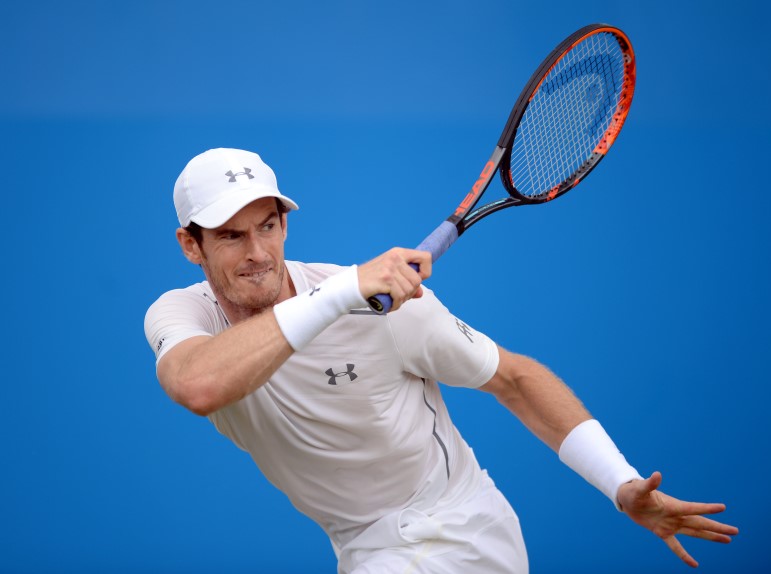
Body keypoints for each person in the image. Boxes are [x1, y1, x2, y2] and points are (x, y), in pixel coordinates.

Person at [144, 148, 738, 573]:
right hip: (364, 550)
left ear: (285, 226)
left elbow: (516, 379)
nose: (257, 253)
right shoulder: (183, 314)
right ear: (189, 245)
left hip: (456, 538)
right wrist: (342, 293)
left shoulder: (390, 310)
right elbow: (198, 385)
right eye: (230, 236)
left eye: (268, 227)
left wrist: (622, 484)